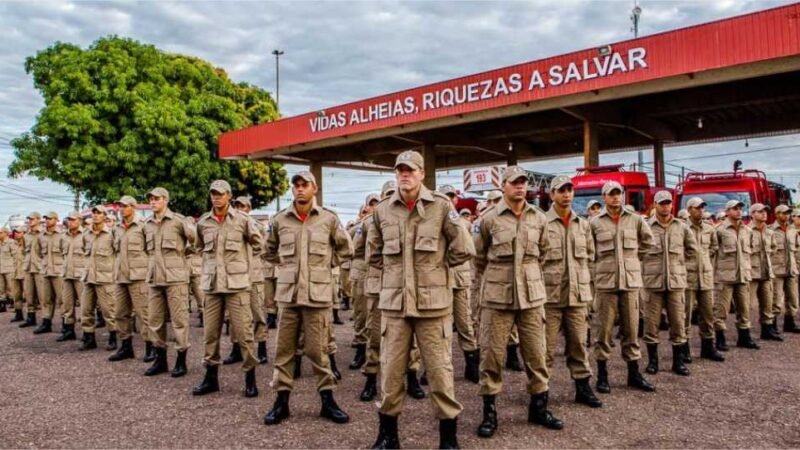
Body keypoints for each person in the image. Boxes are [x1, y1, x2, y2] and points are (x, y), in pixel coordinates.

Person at [367, 151, 473, 449]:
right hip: (396, 306)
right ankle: (388, 436)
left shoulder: (440, 206)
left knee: (440, 373)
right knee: (390, 373)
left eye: (410, 170)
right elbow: (373, 254)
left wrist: (436, 270)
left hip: (433, 305)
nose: (405, 174)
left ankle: (448, 439)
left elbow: (463, 247)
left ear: (422, 173)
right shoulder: (383, 210)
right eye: (400, 170)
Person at [473, 166, 562, 440]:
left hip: (532, 296)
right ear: (504, 186)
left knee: (537, 355)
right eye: (514, 183)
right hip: (497, 297)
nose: (520, 187)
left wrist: (527, 275)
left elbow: (543, 253)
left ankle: (539, 408)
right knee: (492, 356)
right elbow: (478, 257)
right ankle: (489, 413)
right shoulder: (489, 219)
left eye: (523, 183)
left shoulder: (538, 218)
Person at [262, 170, 353, 426]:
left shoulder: (328, 219)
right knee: (284, 351)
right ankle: (281, 403)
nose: (300, 189)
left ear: (315, 188)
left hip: (317, 296)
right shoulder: (280, 220)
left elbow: (346, 249)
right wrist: (288, 267)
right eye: (296, 185)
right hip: (289, 297)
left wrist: (325, 266)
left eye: (305, 185)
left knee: (319, 351)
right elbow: (268, 250)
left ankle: (328, 401)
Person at [192, 181, 263, 398]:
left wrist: (243, 267)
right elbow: (198, 247)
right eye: (213, 194)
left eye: (220, 194)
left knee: (244, 333)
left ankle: (250, 378)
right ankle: (210, 378)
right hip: (212, 286)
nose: (216, 198)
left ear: (229, 196)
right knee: (210, 334)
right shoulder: (204, 222)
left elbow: (259, 244)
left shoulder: (242, 220)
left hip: (237, 285)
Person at [359, 181, 426, 403]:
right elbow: (362, 252)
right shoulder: (372, 221)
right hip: (379, 287)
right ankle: (371, 379)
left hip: (407, 287)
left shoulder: (415, 217)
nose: (390, 199)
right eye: (385, 195)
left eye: (392, 194)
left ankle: (412, 376)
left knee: (411, 338)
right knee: (376, 335)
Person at [541, 175, 601, 408]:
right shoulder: (542, 223)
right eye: (561, 190)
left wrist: (589, 290)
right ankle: (541, 393)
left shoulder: (582, 224)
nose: (566, 194)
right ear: (552, 194)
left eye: (570, 190)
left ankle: (583, 387)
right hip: (550, 297)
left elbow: (590, 258)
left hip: (577, 296)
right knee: (544, 349)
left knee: (578, 344)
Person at [591, 181, 655, 394]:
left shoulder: (635, 220)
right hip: (606, 283)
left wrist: (634, 260)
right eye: (611, 194)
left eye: (619, 193)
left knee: (632, 329)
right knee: (604, 331)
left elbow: (648, 242)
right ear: (604, 198)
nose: (616, 197)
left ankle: (634, 374)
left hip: (630, 283)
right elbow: (589, 251)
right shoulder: (595, 223)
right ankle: (602, 375)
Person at [641, 191, 697, 377]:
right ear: (655, 205)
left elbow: (692, 249)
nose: (665, 206)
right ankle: (653, 361)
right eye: (662, 203)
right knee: (651, 324)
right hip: (652, 282)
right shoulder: (646, 226)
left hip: (676, 282)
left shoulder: (681, 227)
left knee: (678, 323)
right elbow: (637, 250)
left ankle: (678, 362)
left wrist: (679, 265)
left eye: (668, 203)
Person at [143, 187, 196, 377]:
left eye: (156, 198)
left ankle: (181, 360)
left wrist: (181, 258)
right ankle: (160, 360)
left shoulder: (178, 221)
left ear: (166, 200)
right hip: (154, 277)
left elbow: (195, 241)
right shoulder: (147, 224)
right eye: (151, 199)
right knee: (155, 320)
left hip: (175, 278)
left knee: (179, 321)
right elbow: (145, 250)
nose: (153, 202)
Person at [222, 196, 269, 366]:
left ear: (249, 208)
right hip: (236, 277)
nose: (239, 208)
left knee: (257, 313)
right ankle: (236, 349)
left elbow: (263, 246)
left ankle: (262, 347)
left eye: (242, 205)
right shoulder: (230, 223)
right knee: (236, 316)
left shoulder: (256, 225)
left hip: (254, 275)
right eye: (236, 205)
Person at [439, 184, 480, 384]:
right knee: (440, 329)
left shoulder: (465, 223)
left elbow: (471, 249)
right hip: (440, 281)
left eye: (451, 196)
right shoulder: (434, 220)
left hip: (460, 278)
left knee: (465, 324)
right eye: (445, 195)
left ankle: (472, 364)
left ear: (456, 200)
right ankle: (437, 369)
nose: (448, 199)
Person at [109, 196, 152, 362]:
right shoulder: (118, 228)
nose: (122, 209)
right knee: (120, 313)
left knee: (144, 314)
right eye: (120, 206)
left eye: (125, 206)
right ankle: (126, 346)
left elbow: (150, 250)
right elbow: (115, 250)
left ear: (133, 207)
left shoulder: (143, 226)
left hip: (138, 276)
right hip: (121, 276)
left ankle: (151, 346)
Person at [713, 200, 760, 351]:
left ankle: (744, 337)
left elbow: (750, 251)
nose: (738, 211)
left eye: (740, 208)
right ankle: (720, 338)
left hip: (743, 275)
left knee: (744, 308)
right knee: (721, 309)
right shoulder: (719, 230)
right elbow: (713, 252)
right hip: (725, 276)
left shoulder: (747, 231)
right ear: (727, 212)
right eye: (734, 209)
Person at [683, 198, 724, 361]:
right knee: (684, 315)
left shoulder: (709, 228)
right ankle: (683, 348)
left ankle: (708, 347)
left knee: (707, 314)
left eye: (702, 208)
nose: (700, 210)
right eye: (697, 208)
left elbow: (714, 247)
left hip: (705, 276)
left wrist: (705, 261)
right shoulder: (682, 227)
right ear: (689, 209)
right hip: (688, 276)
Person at [78, 205, 118, 351]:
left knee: (109, 311)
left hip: (105, 278)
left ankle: (113, 337)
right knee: (86, 309)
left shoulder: (111, 234)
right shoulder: (86, 234)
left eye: (99, 213)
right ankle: (89, 338)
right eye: (93, 213)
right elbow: (84, 251)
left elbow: (117, 253)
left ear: (105, 216)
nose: (95, 215)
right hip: (89, 277)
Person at [348, 194, 380, 371]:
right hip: (363, 272)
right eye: (372, 204)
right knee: (361, 312)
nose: (375, 206)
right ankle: (360, 350)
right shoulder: (364, 224)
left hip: (383, 273)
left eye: (378, 203)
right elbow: (353, 248)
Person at [749, 203, 782, 342]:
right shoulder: (747, 231)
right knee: (747, 304)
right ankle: (744, 332)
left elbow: (773, 249)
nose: (764, 214)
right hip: (752, 272)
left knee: (767, 303)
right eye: (760, 211)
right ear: (753, 214)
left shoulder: (769, 232)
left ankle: (767, 330)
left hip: (766, 271)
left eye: (765, 211)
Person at [34, 212, 66, 335]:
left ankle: (65, 323)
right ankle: (46, 322)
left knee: (62, 299)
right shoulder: (41, 236)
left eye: (50, 218)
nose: (47, 220)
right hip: (46, 270)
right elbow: (38, 253)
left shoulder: (62, 236)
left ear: (56, 220)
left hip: (58, 271)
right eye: (46, 218)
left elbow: (65, 253)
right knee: (46, 299)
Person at [57, 212, 85, 342]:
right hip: (67, 274)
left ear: (79, 221)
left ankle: (87, 333)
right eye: (69, 220)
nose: (71, 222)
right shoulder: (64, 237)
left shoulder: (85, 235)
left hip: (81, 275)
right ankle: (69, 330)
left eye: (73, 220)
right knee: (67, 304)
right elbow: (62, 254)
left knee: (85, 305)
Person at [19, 212, 44, 329]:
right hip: (28, 268)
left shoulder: (43, 234)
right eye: (29, 219)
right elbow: (24, 251)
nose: (30, 221)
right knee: (29, 295)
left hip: (40, 268)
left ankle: (46, 320)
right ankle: (30, 317)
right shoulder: (25, 236)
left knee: (43, 296)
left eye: (32, 219)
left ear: (39, 220)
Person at [0, 226, 20, 315]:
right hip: (1, 269)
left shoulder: (11, 243)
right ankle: (2, 305)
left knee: (11, 288)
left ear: (6, 233)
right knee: (1, 289)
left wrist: (16, 268)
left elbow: (16, 256)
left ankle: (15, 305)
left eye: (0, 233)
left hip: (9, 269)